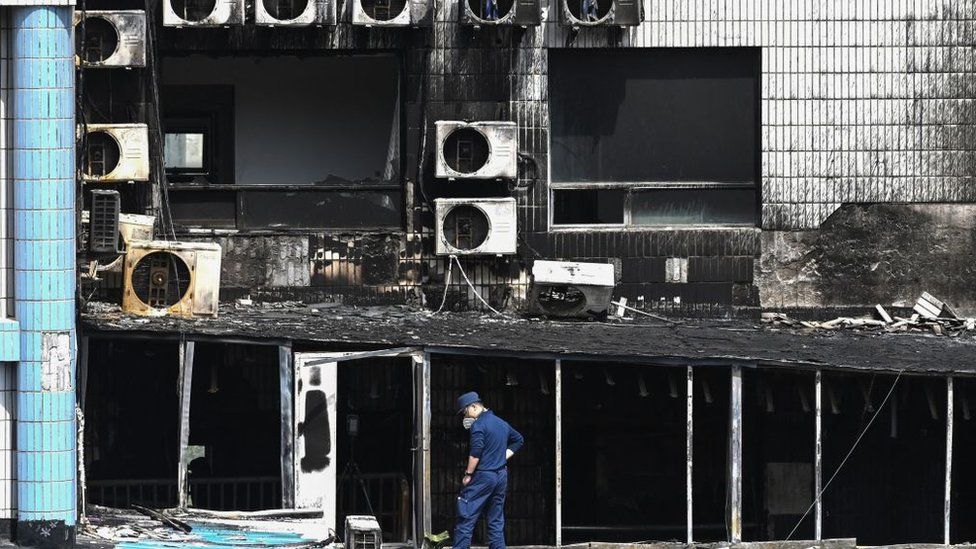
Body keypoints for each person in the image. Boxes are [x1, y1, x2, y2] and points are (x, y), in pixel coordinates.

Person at [453, 391, 524, 549]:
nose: (465, 416)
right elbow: (519, 440)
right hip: (501, 476)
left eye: (465, 411)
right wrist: (501, 457)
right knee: (496, 520)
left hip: (484, 476)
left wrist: (468, 474)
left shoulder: (478, 425)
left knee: (466, 516)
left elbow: (476, 452)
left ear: (474, 406)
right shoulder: (501, 423)